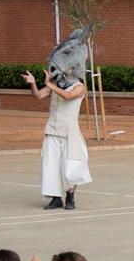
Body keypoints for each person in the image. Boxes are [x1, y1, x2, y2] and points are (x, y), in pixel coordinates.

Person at [22, 61, 90, 209]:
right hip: (52, 131)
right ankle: (55, 198)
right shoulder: (55, 84)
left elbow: (67, 96)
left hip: (70, 133)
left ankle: (70, 196)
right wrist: (33, 83)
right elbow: (38, 95)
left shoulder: (79, 86)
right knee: (50, 167)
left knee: (72, 166)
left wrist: (50, 84)